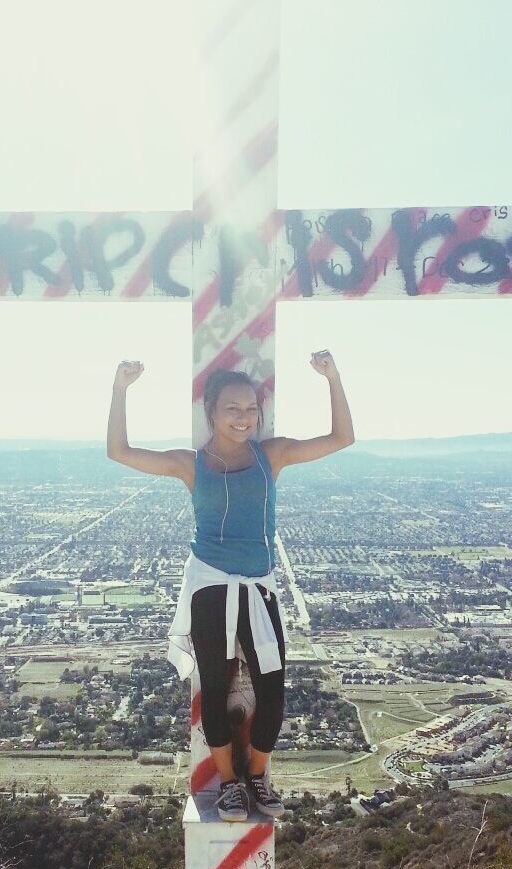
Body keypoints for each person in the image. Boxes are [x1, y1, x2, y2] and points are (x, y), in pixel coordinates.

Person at [106, 351, 355, 822]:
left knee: (273, 691)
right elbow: (119, 452)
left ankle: (258, 776)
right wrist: (120, 390)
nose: (243, 418)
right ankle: (229, 785)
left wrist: (333, 378)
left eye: (249, 409)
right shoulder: (191, 464)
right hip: (210, 585)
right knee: (216, 690)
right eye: (231, 409)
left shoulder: (271, 456)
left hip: (258, 587)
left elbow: (343, 437)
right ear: (212, 414)